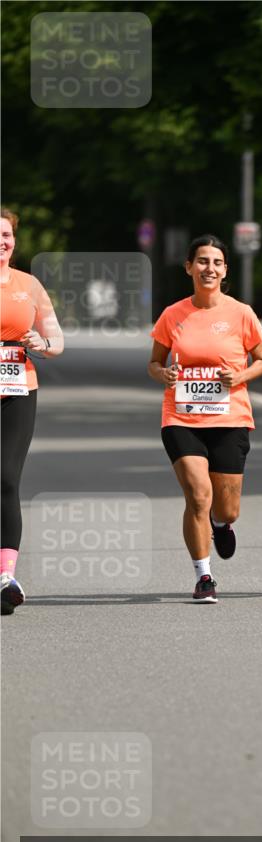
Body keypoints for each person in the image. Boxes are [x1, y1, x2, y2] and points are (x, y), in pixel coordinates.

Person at [148, 234, 262, 603]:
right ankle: (204, 576)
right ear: (189, 267)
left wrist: (241, 376)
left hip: (229, 418)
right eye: (202, 261)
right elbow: (155, 363)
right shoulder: (173, 314)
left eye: (216, 263)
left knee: (226, 505)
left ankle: (221, 524)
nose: (209, 269)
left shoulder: (241, 313)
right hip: (181, 418)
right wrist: (163, 374)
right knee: (198, 496)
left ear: (225, 270)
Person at [1, 207, 64, 615]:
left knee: (5, 479)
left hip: (18, 389)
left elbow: (56, 340)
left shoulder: (29, 285)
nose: (2, 242)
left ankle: (5, 576)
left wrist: (40, 344)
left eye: (6, 235)